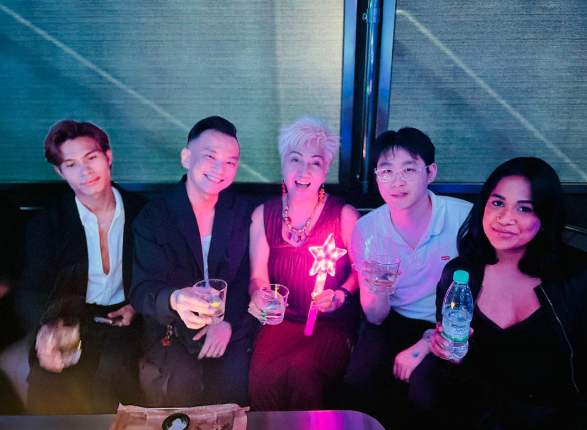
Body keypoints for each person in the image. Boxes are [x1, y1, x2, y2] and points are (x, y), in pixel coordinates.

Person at [431, 157, 587, 429]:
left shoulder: (578, 276)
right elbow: (457, 378)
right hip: (486, 415)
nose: (504, 219)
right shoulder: (459, 276)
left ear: (545, 217)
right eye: (497, 203)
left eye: (524, 208)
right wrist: (452, 357)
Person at [341, 127, 472, 428]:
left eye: (409, 169)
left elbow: (479, 293)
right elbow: (375, 317)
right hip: (395, 318)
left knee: (425, 394)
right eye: (386, 171)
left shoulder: (462, 219)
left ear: (430, 172)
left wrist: (428, 342)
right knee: (358, 383)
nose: (397, 182)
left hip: (450, 320)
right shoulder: (367, 230)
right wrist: (379, 286)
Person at [18, 120, 147, 414]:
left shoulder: (144, 212)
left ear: (108, 156)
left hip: (128, 318)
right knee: (49, 382)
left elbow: (162, 273)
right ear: (60, 171)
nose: (85, 170)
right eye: (71, 164)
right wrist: (48, 328)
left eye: (91, 158)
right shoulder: (47, 224)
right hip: (71, 318)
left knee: (114, 370)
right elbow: (31, 289)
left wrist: (138, 306)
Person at [130, 116, 255, 407]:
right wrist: (174, 299)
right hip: (172, 330)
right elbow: (142, 289)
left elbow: (247, 279)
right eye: (210, 157)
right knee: (180, 386)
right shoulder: (154, 216)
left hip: (230, 326)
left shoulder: (243, 211)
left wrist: (227, 323)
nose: (220, 169)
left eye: (230, 162)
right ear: (186, 158)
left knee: (234, 389)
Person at [247, 116, 361, 411]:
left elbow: (361, 272)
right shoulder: (263, 214)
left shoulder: (344, 215)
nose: (303, 171)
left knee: (302, 373)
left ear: (326, 170)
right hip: (280, 322)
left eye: (315, 162)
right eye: (295, 159)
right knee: (262, 378)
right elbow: (257, 277)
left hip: (330, 325)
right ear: (283, 163)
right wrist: (260, 296)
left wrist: (341, 295)